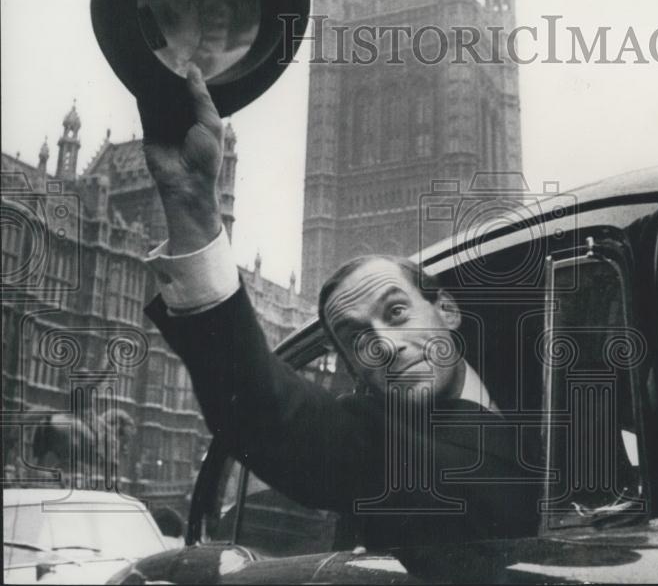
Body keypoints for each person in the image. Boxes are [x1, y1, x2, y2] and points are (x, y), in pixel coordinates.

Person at [140, 66, 539, 556]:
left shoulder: (554, 389)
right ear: (356, 376)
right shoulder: (377, 447)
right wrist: (193, 207)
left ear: (448, 310)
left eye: (396, 313)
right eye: (356, 340)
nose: (386, 345)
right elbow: (273, 415)